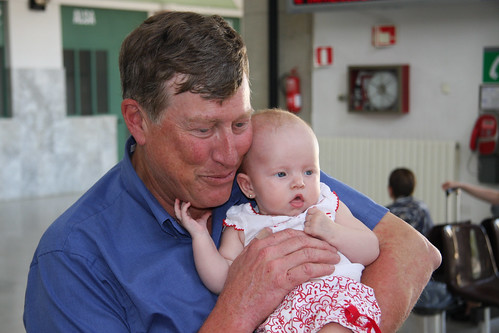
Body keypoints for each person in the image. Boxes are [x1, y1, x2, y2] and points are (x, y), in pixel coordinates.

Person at [23, 11, 441, 333]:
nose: (229, 155)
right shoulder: (73, 262)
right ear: (138, 121)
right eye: (203, 129)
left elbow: (412, 252)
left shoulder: (266, 174)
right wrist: (238, 309)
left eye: (240, 124)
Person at [176, 109, 381, 333]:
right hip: (280, 318)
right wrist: (200, 237)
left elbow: (371, 248)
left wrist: (333, 232)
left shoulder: (325, 205)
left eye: (309, 171)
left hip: (336, 300)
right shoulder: (243, 223)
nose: (299, 183)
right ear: (249, 187)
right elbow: (222, 279)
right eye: (282, 174)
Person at [386, 168, 434, 235]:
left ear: (390, 189)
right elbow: (431, 236)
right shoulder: (422, 208)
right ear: (413, 188)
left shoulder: (387, 213)